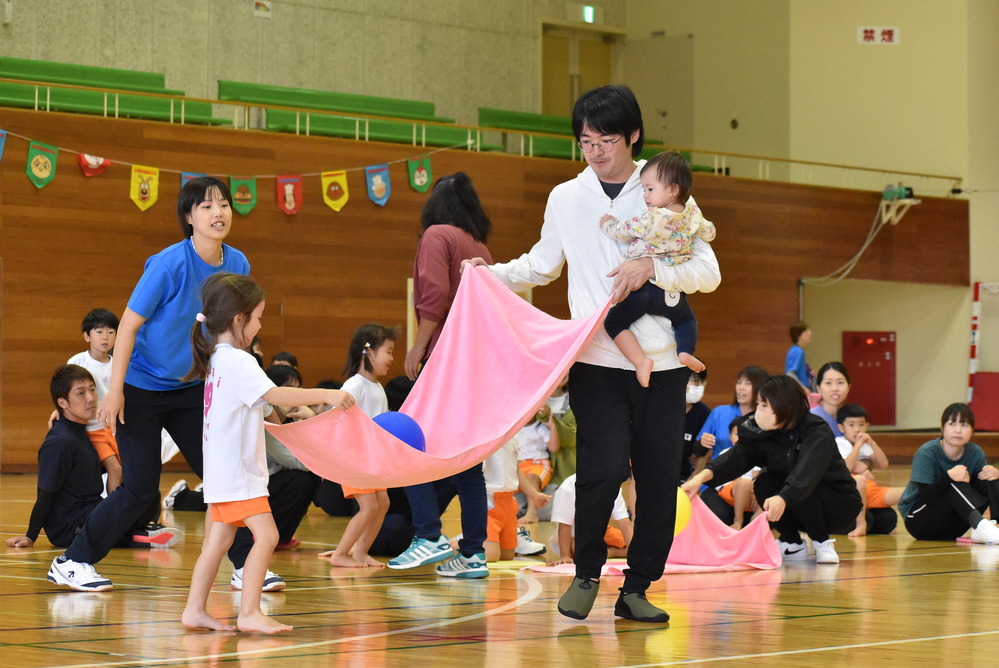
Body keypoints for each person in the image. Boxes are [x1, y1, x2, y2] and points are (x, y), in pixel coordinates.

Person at [466, 85, 720, 622]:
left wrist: (652, 268)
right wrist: (491, 275)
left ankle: (638, 588)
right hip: (597, 362)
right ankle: (586, 572)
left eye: (607, 139)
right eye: (585, 141)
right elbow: (542, 265)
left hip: (664, 367)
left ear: (632, 137)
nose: (596, 151)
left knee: (656, 480)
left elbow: (709, 271)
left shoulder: (662, 185)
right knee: (601, 471)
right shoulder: (566, 197)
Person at [46, 176, 248, 592]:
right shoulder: (169, 264)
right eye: (207, 206)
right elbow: (129, 326)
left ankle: (246, 564)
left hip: (191, 388)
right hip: (141, 389)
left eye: (224, 204)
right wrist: (116, 390)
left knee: (224, 474)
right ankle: (72, 561)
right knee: (138, 490)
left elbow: (234, 329)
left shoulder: (239, 265)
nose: (218, 213)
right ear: (189, 217)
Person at [180, 272, 355, 633]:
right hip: (239, 475)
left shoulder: (218, 359)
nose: (260, 325)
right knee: (268, 536)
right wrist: (328, 395)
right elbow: (276, 395)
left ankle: (195, 609)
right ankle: (249, 613)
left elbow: (264, 404)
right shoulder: (239, 361)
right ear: (238, 319)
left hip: (221, 473)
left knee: (219, 540)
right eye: (257, 317)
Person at [391, 172, 493, 579]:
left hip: (446, 360)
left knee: (410, 444)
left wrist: (418, 347)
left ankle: (429, 534)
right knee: (469, 467)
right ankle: (472, 553)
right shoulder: (478, 244)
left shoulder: (437, 235)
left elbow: (433, 296)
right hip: (475, 364)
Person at [682, 375, 863, 565]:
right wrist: (699, 478)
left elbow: (807, 473)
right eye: (759, 403)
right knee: (764, 482)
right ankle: (792, 543)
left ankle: (822, 542)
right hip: (796, 504)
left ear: (785, 406)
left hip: (837, 504)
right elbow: (736, 458)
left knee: (804, 483)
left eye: (764, 405)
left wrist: (783, 497)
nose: (758, 410)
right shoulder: (760, 431)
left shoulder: (816, 430)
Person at [7, 365, 175, 554]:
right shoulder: (60, 442)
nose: (90, 398)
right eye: (80, 393)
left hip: (92, 511)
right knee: (116, 510)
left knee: (147, 492)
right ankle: (137, 537)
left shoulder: (83, 433)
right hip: (70, 526)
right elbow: (46, 493)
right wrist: (31, 535)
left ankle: (137, 533)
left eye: (92, 390)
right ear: (63, 403)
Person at [599, 151, 716, 386]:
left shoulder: (651, 218)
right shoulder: (693, 215)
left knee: (613, 323)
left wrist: (606, 223)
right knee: (686, 321)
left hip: (645, 291)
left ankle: (641, 361)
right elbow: (710, 232)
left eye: (650, 189)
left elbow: (621, 231)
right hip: (673, 293)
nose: (645, 195)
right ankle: (685, 351)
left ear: (672, 190)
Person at [319, 324, 397, 568]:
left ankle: (360, 551)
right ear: (369, 353)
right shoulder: (354, 385)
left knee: (383, 503)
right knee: (368, 506)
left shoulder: (377, 388)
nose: (392, 358)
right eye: (389, 351)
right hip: (355, 457)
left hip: (373, 458)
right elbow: (335, 418)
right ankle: (341, 554)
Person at [897, 403, 999, 544]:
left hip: (954, 525)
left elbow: (982, 489)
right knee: (953, 483)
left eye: (964, 425)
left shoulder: (975, 452)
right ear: (942, 428)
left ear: (972, 430)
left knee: (989, 477)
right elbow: (926, 496)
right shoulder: (927, 452)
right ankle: (979, 525)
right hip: (919, 521)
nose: (957, 430)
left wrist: (993, 474)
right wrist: (948, 476)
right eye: (952, 424)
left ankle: (995, 526)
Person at [66, 308, 123, 493]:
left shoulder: (119, 364)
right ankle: (113, 512)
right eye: (99, 332)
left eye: (110, 332)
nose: (105, 337)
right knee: (114, 468)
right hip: (93, 430)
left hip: (115, 429)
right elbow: (64, 392)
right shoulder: (78, 362)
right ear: (87, 336)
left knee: (126, 470)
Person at [835, 403, 899, 537]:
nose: (857, 429)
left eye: (861, 424)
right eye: (851, 425)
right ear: (841, 427)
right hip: (849, 491)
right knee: (861, 481)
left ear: (867, 426)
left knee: (890, 518)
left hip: (868, 490)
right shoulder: (839, 443)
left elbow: (884, 464)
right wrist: (858, 446)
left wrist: (872, 443)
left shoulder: (866, 445)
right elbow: (847, 467)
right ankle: (861, 524)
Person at [546, 474, 633, 566]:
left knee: (642, 547)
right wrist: (565, 556)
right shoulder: (568, 487)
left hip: (602, 530)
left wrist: (635, 554)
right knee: (580, 550)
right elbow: (564, 525)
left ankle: (611, 552)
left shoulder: (612, 486)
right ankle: (605, 552)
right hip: (575, 534)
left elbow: (625, 524)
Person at [693, 365, 768, 473]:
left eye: (748, 383)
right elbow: (698, 452)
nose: (741, 387)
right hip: (717, 474)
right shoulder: (719, 412)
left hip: (752, 477)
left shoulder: (767, 417)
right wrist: (702, 443)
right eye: (739, 382)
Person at [515, 403, 557, 525]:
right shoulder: (514, 428)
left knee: (531, 478)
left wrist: (552, 427)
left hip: (538, 464)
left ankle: (532, 513)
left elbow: (554, 448)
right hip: (518, 465)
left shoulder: (540, 428)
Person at [812, 361, 851, 437]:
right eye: (828, 383)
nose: (835, 389)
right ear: (819, 388)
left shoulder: (853, 416)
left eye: (840, 382)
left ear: (848, 388)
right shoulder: (812, 418)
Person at [784, 321, 813, 391]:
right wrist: (803, 389)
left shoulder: (795, 350)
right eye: (806, 331)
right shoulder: (798, 352)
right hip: (796, 391)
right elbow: (790, 374)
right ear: (799, 336)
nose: (810, 333)